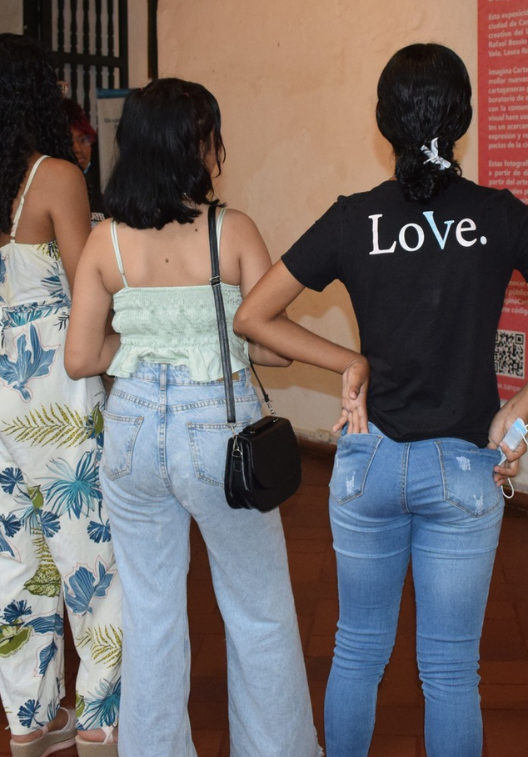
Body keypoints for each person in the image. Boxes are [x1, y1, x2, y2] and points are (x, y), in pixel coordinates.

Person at [234, 43, 528, 757]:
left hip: (368, 463)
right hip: (464, 468)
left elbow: (254, 314)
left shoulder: (355, 218)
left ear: (385, 124)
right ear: (463, 118)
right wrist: (517, 410)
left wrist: (349, 359)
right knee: (449, 673)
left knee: (357, 653)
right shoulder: (497, 215)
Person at [64, 78, 319, 757]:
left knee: (149, 616)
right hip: (219, 426)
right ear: (193, 145)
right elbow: (268, 343)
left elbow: (82, 355)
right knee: (258, 609)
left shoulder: (105, 242)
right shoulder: (229, 229)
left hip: (134, 426)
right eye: (210, 136)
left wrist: (145, 353)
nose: (217, 150)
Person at [0, 34, 121, 757]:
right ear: (40, 92)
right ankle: (101, 714)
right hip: (53, 378)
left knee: (12, 550)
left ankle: (31, 720)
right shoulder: (56, 176)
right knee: (85, 545)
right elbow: (87, 283)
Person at [64, 97, 105, 217]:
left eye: (83, 140)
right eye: (69, 142)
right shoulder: (58, 197)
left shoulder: (100, 195)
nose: (77, 149)